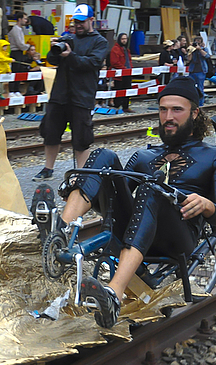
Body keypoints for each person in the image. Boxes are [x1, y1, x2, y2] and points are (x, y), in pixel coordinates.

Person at [39, 77, 216, 328]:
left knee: (151, 189)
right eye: (163, 109)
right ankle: (59, 235)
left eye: (177, 109)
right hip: (137, 229)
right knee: (103, 157)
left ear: (195, 113)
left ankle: (114, 294)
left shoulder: (211, 157)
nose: (168, 116)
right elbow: (113, 198)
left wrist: (207, 205)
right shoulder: (145, 155)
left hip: (178, 237)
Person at [32, 4, 107, 181]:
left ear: (91, 20)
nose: (78, 25)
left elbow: (91, 63)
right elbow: (51, 59)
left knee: (82, 138)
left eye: (82, 21)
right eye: (76, 21)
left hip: (82, 96)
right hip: (60, 95)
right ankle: (47, 168)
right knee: (51, 133)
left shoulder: (100, 42)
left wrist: (70, 55)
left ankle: (82, 174)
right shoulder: (68, 39)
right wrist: (54, 48)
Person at [109, 32, 134, 113]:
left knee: (127, 90)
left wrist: (130, 69)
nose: (124, 40)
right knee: (119, 90)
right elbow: (114, 62)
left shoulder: (126, 49)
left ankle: (125, 107)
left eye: (125, 39)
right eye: (122, 39)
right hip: (120, 74)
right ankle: (117, 106)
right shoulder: (115, 49)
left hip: (127, 72)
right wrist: (124, 68)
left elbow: (129, 60)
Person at [8, 12, 29, 94]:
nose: (26, 21)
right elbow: (19, 44)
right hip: (15, 52)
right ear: (19, 19)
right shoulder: (15, 29)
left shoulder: (20, 29)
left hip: (19, 52)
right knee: (15, 71)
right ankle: (12, 90)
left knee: (19, 72)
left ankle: (16, 90)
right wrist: (28, 46)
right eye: (24, 19)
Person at [187, 36, 209, 106]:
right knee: (191, 87)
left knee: (200, 88)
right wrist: (190, 50)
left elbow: (207, 56)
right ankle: (192, 103)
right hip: (192, 70)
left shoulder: (204, 49)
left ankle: (200, 104)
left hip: (201, 70)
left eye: (199, 40)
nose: (197, 42)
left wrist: (200, 49)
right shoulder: (191, 49)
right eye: (196, 41)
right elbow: (189, 59)